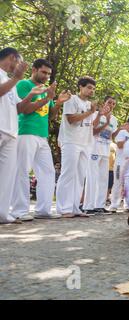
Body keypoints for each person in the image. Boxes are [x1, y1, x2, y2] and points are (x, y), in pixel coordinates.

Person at [11, 59, 71, 221]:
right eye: (43, 72)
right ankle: (19, 211)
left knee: (48, 172)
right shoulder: (24, 85)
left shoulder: (45, 89)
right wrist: (46, 99)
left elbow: (50, 116)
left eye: (49, 74)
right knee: (22, 171)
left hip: (42, 135)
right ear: (34, 70)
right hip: (26, 132)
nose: (46, 76)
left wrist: (57, 103)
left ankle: (43, 210)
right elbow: (24, 109)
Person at [0, 47, 50, 224]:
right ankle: (15, 210)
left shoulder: (9, 79)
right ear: (12, 58)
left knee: (7, 175)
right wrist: (17, 79)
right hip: (4, 129)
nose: (20, 67)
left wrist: (33, 95)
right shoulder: (9, 78)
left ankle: (3, 214)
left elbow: (19, 108)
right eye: (19, 62)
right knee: (16, 172)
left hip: (10, 132)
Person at [55, 76, 101, 218]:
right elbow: (71, 119)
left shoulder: (90, 105)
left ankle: (75, 207)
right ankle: (64, 208)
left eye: (93, 89)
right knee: (68, 174)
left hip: (85, 143)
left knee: (80, 175)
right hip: (70, 141)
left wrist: (97, 114)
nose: (91, 91)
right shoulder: (72, 99)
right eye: (89, 87)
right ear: (80, 86)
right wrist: (90, 112)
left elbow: (90, 125)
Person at [83, 96, 119, 215]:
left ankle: (99, 205)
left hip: (105, 151)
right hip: (94, 149)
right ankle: (88, 206)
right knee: (92, 178)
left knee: (103, 179)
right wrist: (105, 121)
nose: (111, 105)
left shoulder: (114, 119)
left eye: (113, 103)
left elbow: (111, 136)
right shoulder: (96, 114)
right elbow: (93, 131)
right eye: (109, 102)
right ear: (104, 102)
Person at [109, 116, 129, 212]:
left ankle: (128, 205)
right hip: (120, 162)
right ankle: (114, 205)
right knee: (118, 182)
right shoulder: (122, 132)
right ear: (128, 124)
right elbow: (119, 145)